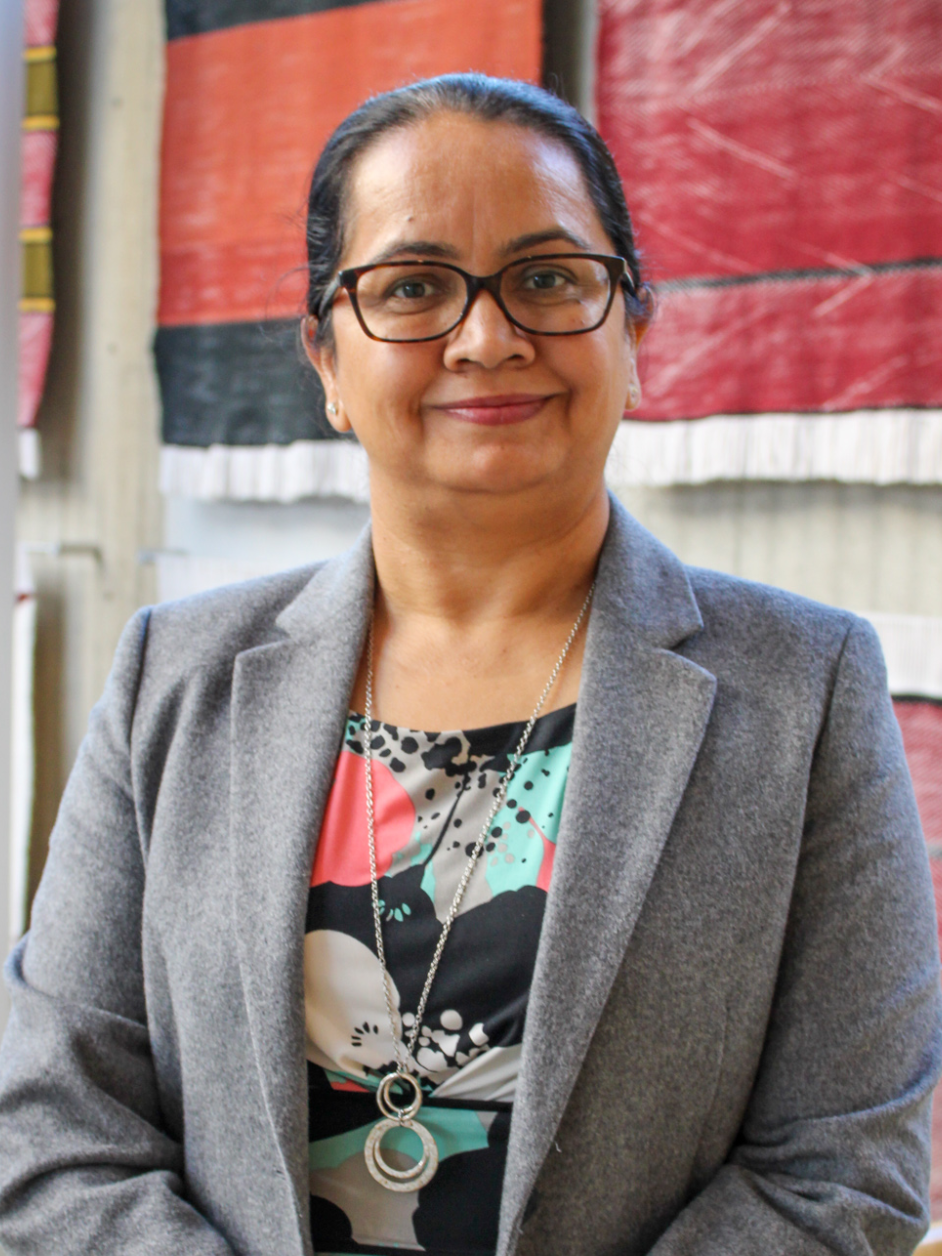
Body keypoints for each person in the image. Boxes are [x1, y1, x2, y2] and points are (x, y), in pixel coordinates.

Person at [0, 73, 939, 1256]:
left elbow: (846, 1166)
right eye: (413, 286)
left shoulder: (805, 686)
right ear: (326, 360)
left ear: (635, 333)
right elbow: (54, 1125)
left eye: (547, 278)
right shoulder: (172, 677)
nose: (488, 338)